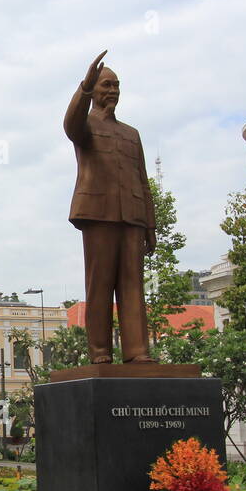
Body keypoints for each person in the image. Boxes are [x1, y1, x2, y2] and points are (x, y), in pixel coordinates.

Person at [63, 50, 157, 364]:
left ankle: (137, 351)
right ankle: (100, 352)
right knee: (100, 283)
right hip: (98, 214)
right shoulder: (85, 126)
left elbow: (142, 180)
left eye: (116, 85)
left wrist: (150, 225)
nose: (112, 90)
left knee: (133, 285)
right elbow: (70, 124)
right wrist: (85, 86)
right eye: (106, 85)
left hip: (131, 217)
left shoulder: (131, 134)